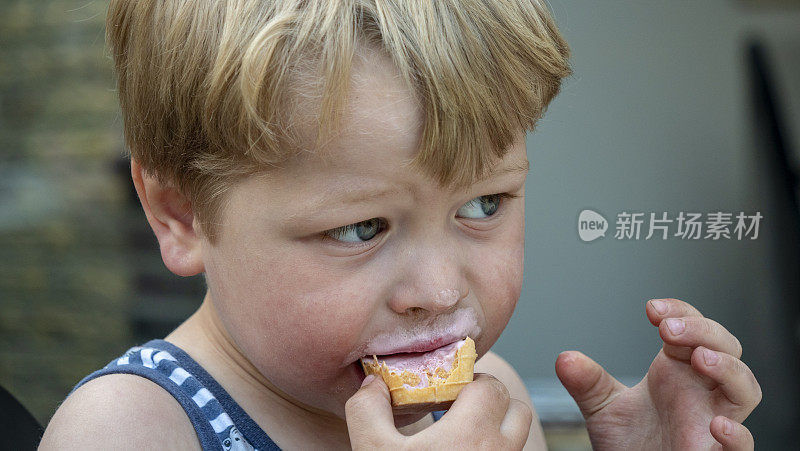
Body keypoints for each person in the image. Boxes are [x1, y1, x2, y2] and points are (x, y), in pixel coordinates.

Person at [39, 1, 761, 449]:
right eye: (362, 228)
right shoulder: (130, 431)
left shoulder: (489, 403)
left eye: (483, 205)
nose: (440, 290)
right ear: (182, 214)